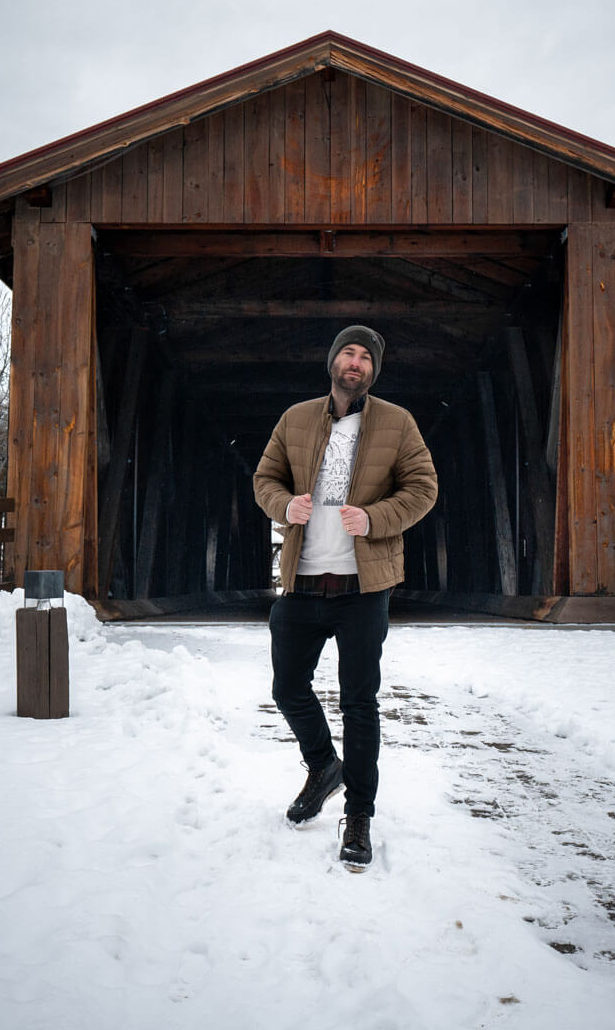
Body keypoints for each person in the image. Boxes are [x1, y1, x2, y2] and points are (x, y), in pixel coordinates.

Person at [253, 326, 438, 869]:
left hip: (363, 589)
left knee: (360, 704)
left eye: (365, 357)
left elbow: (423, 488)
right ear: (332, 361)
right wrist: (284, 507)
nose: (355, 363)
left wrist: (376, 518)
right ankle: (323, 766)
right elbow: (265, 478)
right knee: (288, 688)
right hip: (303, 582)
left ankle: (359, 815)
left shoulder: (397, 422)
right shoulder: (296, 418)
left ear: (373, 370)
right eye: (348, 353)